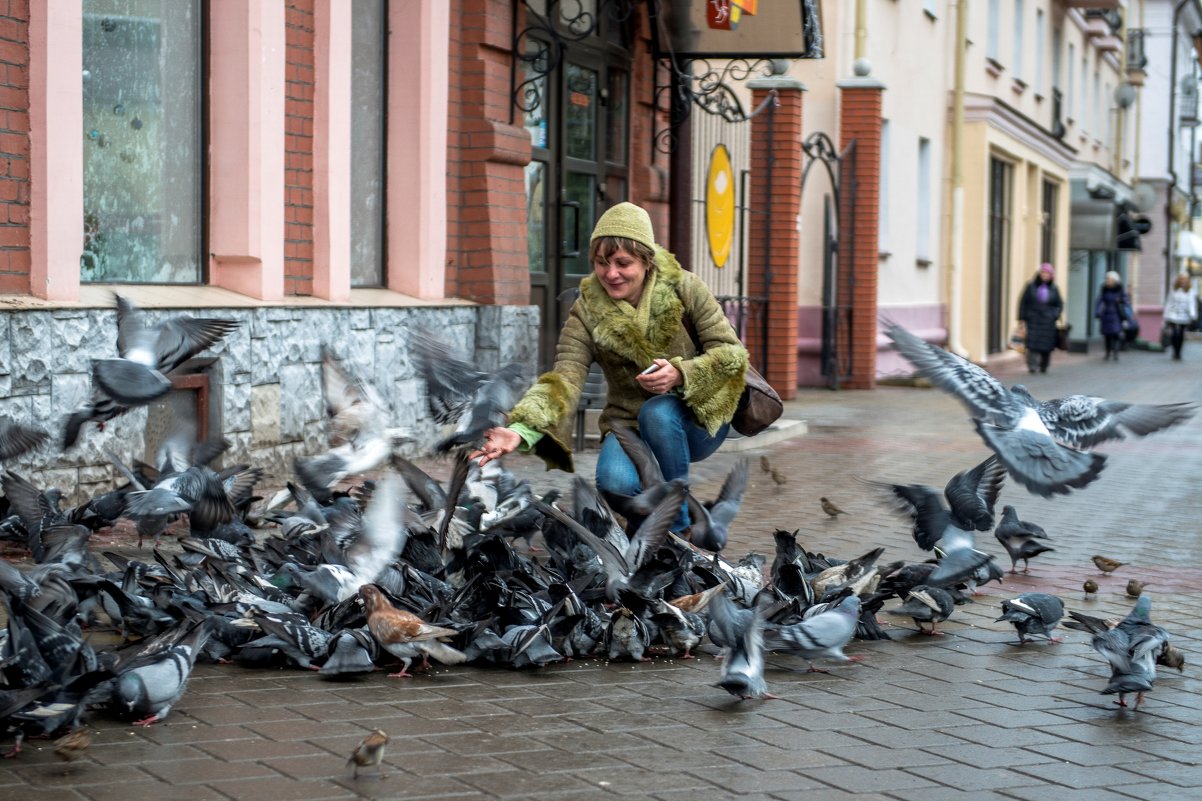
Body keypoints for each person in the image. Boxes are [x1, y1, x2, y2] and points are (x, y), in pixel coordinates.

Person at [471, 202, 749, 537]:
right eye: (602, 263)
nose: (611, 273)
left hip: (698, 416)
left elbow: (732, 353)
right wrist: (522, 429)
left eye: (622, 263)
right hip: (629, 422)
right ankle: (644, 535)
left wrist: (681, 373)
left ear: (646, 261)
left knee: (659, 412)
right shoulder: (587, 310)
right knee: (614, 482)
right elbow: (565, 378)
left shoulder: (685, 288)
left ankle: (677, 529)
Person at [1017, 263, 1063, 374]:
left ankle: (1044, 365)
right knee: (1032, 344)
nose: (1044, 275)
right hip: (1033, 318)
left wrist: (1054, 315)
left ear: (1051, 275)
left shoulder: (1054, 288)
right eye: (1043, 272)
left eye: (1047, 273)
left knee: (1046, 344)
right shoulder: (1030, 286)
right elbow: (1023, 302)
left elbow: (1059, 304)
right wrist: (1021, 318)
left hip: (1048, 320)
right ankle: (1032, 366)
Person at [1095, 270, 1130, 361]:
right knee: (1107, 335)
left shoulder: (1119, 290)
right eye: (1107, 279)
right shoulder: (1104, 289)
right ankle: (1107, 352)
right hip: (1106, 314)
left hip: (1116, 315)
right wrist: (1098, 312)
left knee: (1116, 334)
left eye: (1110, 279)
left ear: (1115, 280)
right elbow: (1099, 301)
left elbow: (1125, 302)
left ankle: (1115, 352)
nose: (1108, 281)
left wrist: (1121, 303)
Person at [1162, 271, 1198, 361]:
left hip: (1184, 315)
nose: (1182, 281)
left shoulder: (1190, 291)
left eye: (1184, 279)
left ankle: (1178, 352)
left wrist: (1193, 316)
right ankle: (1174, 350)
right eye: (1181, 279)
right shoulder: (1174, 289)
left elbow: (1191, 304)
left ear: (1187, 281)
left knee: (1181, 333)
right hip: (1173, 314)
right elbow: (1169, 302)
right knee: (1174, 333)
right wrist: (1166, 315)